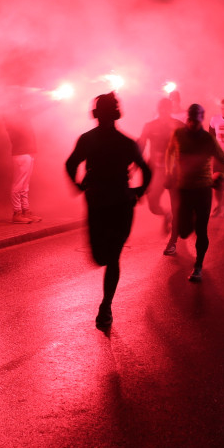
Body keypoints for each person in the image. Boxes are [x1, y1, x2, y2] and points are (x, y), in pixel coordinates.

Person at [65, 92, 152, 329]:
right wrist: (138, 192)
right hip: (118, 203)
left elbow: (70, 164)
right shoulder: (125, 142)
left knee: (107, 256)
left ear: (97, 114)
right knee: (107, 257)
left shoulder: (89, 139)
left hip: (105, 203)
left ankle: (105, 308)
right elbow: (147, 170)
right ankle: (106, 305)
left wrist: (79, 185)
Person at [166, 103, 224, 281]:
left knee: (202, 231)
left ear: (201, 120)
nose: (192, 124)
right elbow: (170, 152)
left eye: (196, 121)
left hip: (203, 190)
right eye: (190, 120)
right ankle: (191, 222)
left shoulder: (208, 140)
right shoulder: (178, 134)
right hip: (183, 189)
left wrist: (221, 176)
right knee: (184, 231)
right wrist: (169, 172)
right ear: (187, 119)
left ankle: (198, 266)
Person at [137, 97, 183, 253]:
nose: (164, 112)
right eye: (161, 109)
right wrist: (133, 166)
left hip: (174, 171)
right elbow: (141, 145)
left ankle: (173, 242)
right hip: (156, 172)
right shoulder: (150, 126)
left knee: (176, 205)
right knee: (152, 204)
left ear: (170, 110)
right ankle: (166, 214)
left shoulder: (178, 125)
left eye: (167, 109)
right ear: (158, 110)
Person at [6, 116, 41, 223]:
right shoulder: (11, 116)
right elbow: (35, 109)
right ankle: (17, 213)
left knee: (25, 185)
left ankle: (25, 210)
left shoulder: (21, 114)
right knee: (19, 183)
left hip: (27, 152)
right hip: (21, 153)